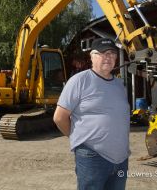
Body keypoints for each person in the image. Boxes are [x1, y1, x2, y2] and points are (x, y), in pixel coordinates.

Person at [53, 38, 130, 190]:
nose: (108, 57)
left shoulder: (119, 85)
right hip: (92, 157)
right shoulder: (79, 81)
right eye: (103, 53)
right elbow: (59, 118)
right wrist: (80, 139)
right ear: (92, 56)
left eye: (112, 53)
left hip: (121, 158)